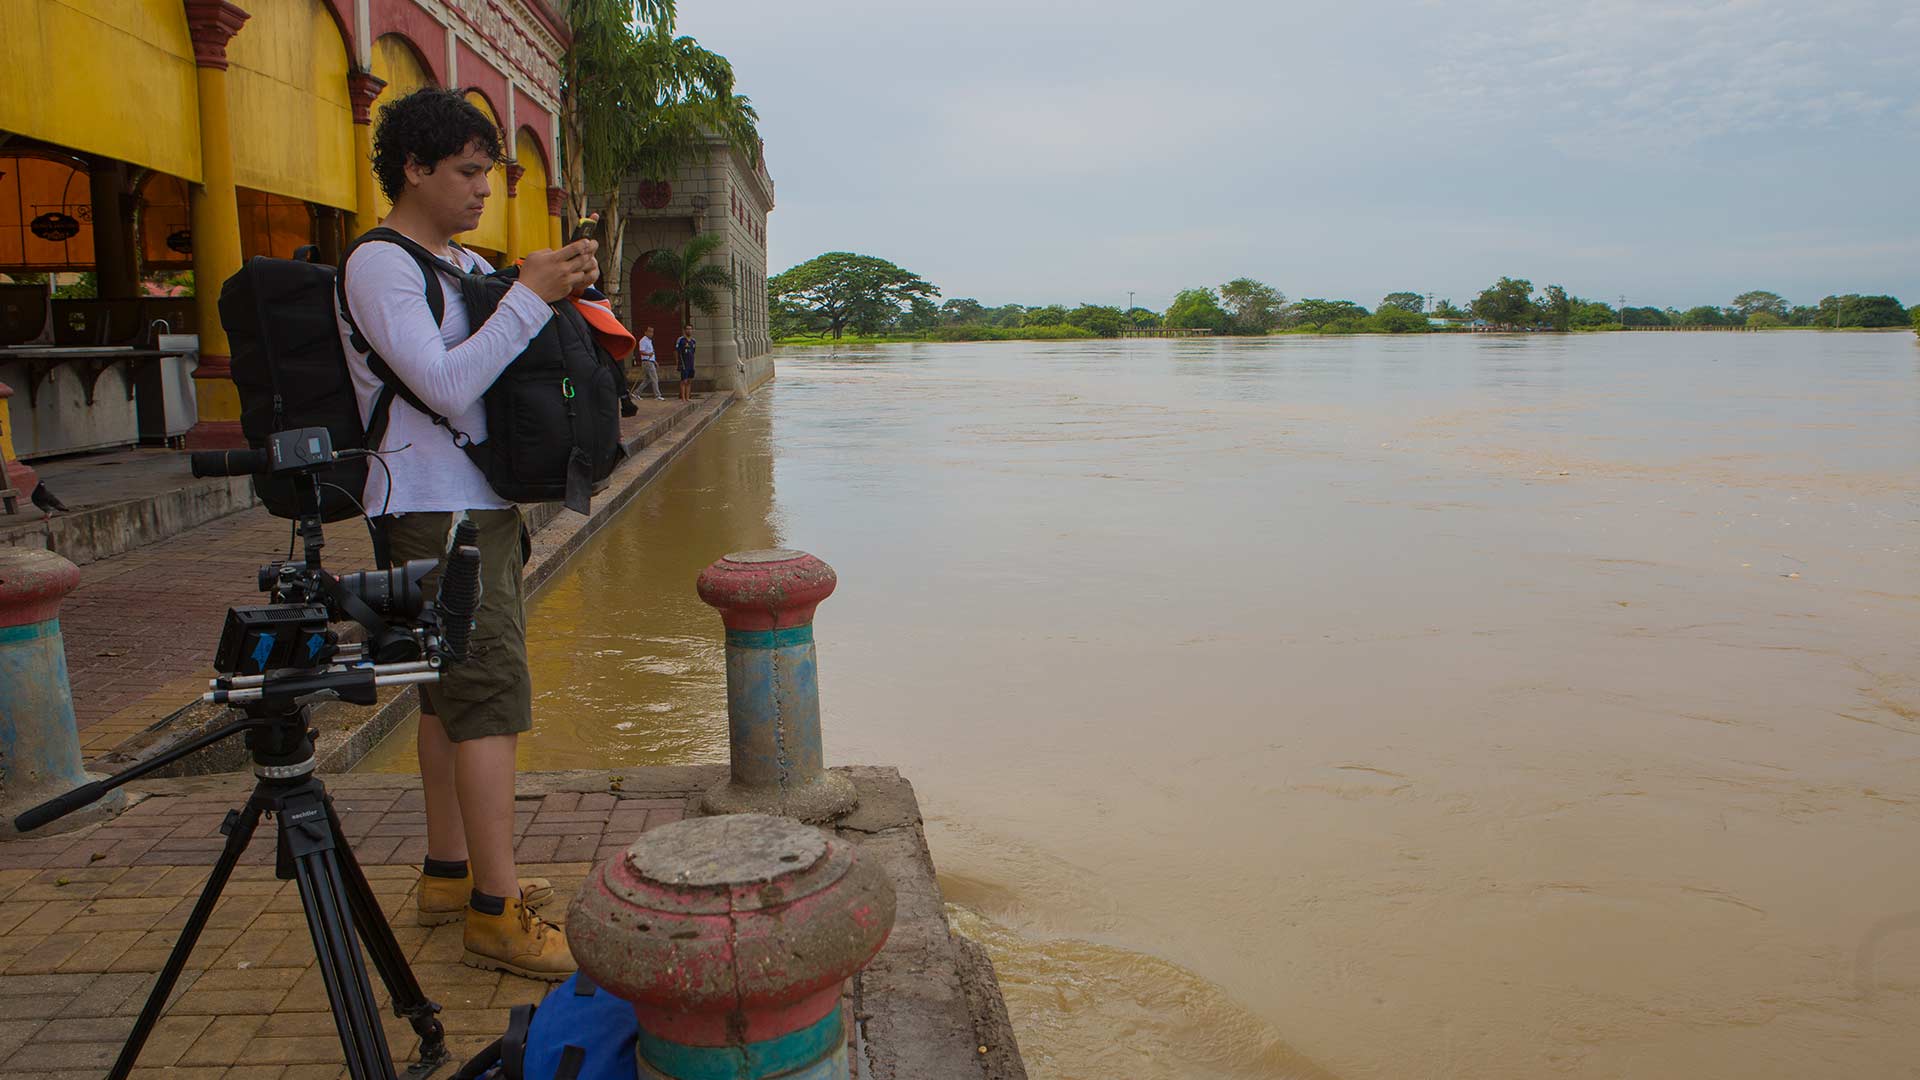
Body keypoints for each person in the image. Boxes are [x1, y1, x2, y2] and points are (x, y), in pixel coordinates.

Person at [336, 87, 598, 980]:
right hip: (431, 507)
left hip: (469, 503)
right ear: (414, 169)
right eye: (467, 171)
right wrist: (526, 296)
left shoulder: (452, 262)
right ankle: (497, 912)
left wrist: (547, 291)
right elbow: (445, 386)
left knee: (448, 697)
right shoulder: (381, 264)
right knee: (486, 698)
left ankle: (451, 876)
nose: (485, 188)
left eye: (487, 171)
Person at [637, 325, 661, 400]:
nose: (651, 333)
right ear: (645, 332)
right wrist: (648, 354)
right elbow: (641, 351)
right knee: (654, 378)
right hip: (647, 362)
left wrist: (655, 361)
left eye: (652, 332)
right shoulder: (643, 340)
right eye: (649, 331)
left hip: (650, 361)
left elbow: (651, 352)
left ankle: (636, 393)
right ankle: (657, 395)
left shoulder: (649, 341)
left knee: (648, 379)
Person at [674, 328, 696, 400]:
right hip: (684, 363)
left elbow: (693, 351)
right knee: (684, 380)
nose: (689, 330)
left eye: (690, 329)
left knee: (689, 380)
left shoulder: (693, 341)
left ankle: (688, 397)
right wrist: (677, 361)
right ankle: (683, 398)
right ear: (684, 330)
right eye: (687, 329)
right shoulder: (681, 340)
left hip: (691, 363)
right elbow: (676, 351)